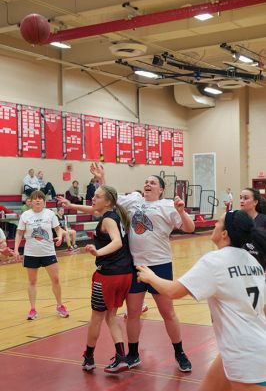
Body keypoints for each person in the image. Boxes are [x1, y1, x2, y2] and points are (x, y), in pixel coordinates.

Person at [137, 210, 266, 391]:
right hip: (249, 344)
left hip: (243, 353)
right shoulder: (252, 261)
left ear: (224, 233)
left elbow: (173, 291)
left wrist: (150, 276)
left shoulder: (215, 261)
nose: (214, 224)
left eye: (218, 222)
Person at [90, 163, 195, 372]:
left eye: (153, 182)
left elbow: (190, 228)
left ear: (161, 189)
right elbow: (110, 198)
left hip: (160, 265)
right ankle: (133, 354)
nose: (148, 184)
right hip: (135, 266)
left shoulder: (167, 205)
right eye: (146, 182)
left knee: (168, 312)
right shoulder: (134, 200)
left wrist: (182, 212)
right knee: (133, 312)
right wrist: (102, 178)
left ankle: (180, 352)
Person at [58, 185, 133, 373]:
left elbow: (117, 241)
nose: (93, 198)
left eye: (97, 196)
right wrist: (71, 205)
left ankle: (89, 357)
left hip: (109, 275)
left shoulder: (108, 220)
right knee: (111, 316)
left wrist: (97, 251)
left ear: (107, 201)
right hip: (124, 273)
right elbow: (91, 209)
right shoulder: (114, 213)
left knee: (96, 318)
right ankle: (122, 357)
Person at [14, 190, 69, 320]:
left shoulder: (50, 214)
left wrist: (60, 236)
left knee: (55, 279)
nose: (38, 200)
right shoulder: (25, 215)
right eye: (35, 198)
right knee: (32, 281)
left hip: (48, 252)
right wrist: (16, 249)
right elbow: (19, 233)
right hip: (31, 253)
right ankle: (32, 309)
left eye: (40, 198)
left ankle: (60, 305)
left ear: (44, 201)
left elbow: (57, 229)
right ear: (30, 202)